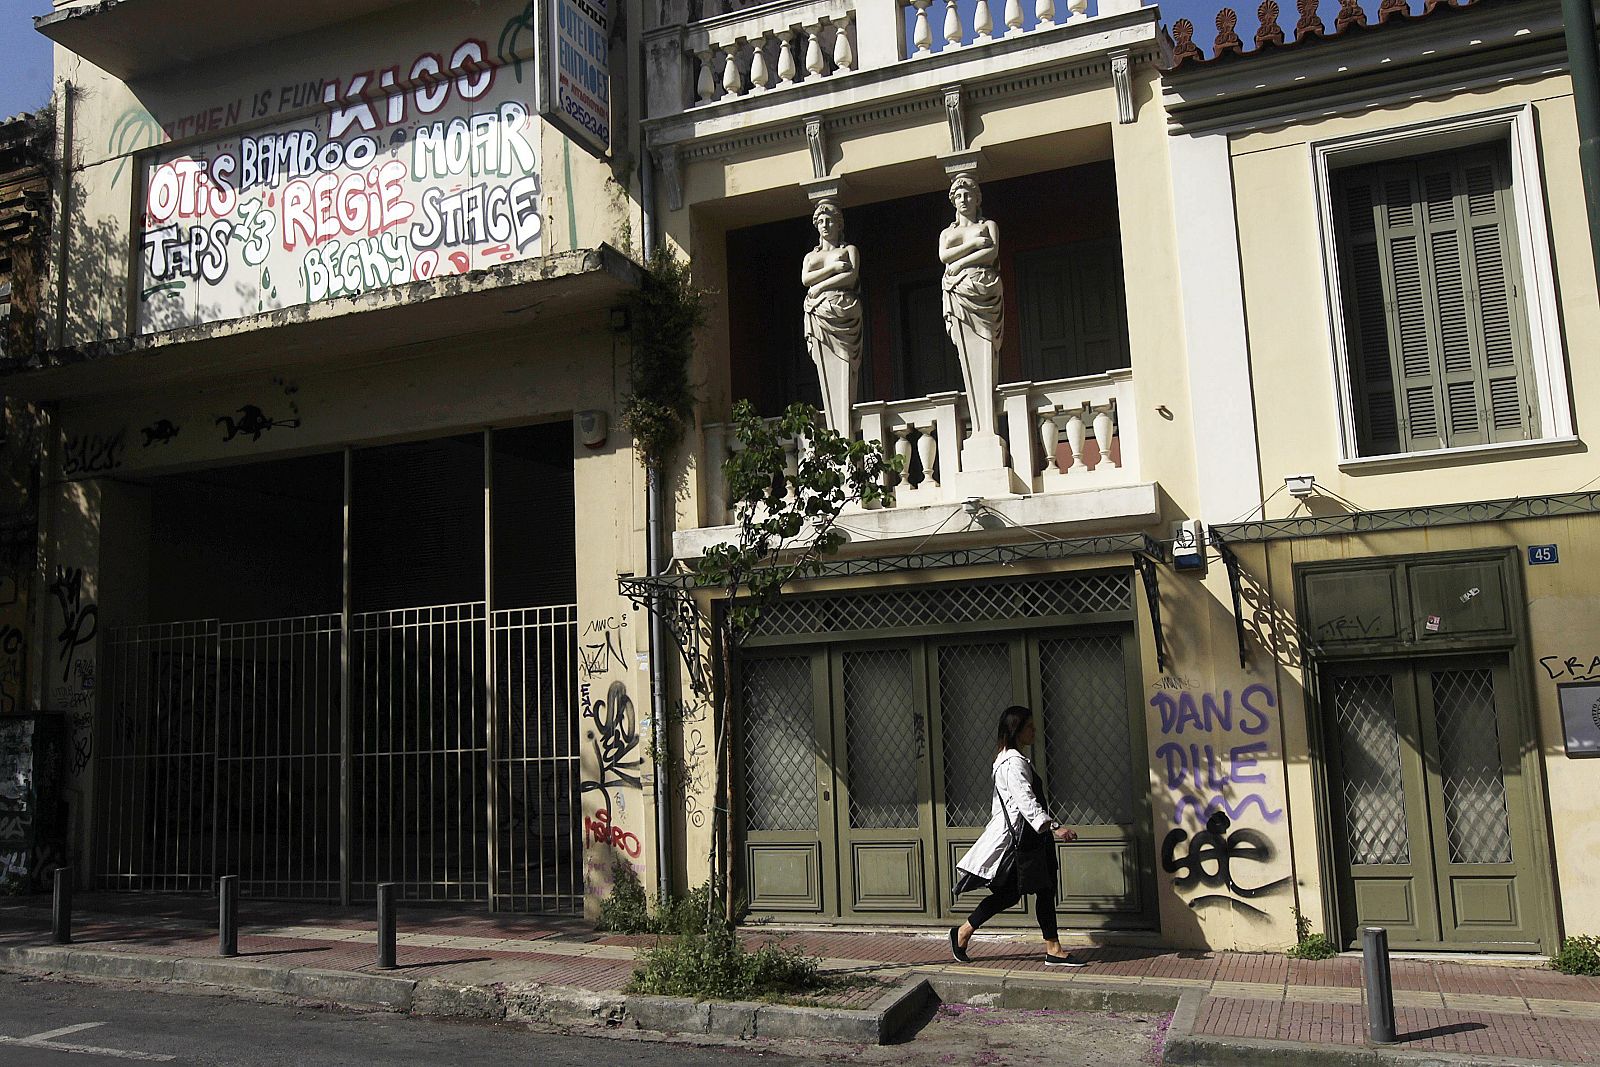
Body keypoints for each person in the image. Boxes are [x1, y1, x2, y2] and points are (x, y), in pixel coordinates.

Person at [950, 704, 1085, 967]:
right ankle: (964, 932)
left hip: (1030, 837)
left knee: (1034, 891)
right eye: (1029, 727)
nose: (1034, 731)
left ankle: (1051, 948)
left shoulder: (1011, 760)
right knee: (1024, 892)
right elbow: (1026, 801)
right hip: (1026, 839)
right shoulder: (1012, 763)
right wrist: (1055, 827)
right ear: (1016, 731)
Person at [938, 173, 1004, 443]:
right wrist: (973, 246)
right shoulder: (947, 232)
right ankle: (981, 429)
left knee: (987, 349)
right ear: (953, 201)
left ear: (977, 198)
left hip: (983, 288)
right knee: (967, 353)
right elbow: (943, 256)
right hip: (960, 293)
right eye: (958, 196)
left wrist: (965, 255)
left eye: (968, 195)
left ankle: (986, 428)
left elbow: (992, 252)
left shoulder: (988, 225)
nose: (963, 199)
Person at [801, 199, 863, 435]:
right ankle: (839, 435)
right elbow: (806, 280)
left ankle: (844, 433)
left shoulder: (849, 251)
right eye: (821, 222)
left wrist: (820, 285)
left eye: (830, 221)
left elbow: (851, 277)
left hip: (844, 312)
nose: (825, 225)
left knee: (847, 364)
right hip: (820, 314)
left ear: (839, 224)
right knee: (824, 367)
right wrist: (831, 270)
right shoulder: (810, 257)